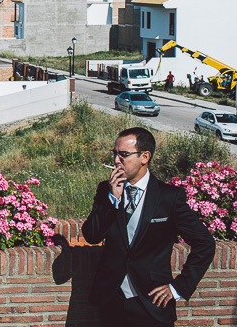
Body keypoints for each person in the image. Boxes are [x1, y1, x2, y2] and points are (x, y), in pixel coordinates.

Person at [82, 127, 215, 327]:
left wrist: (178, 287)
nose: (117, 160)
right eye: (115, 153)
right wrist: (112, 199)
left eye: (124, 155)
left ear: (144, 157)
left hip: (153, 304)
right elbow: (91, 236)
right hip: (112, 300)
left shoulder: (169, 197)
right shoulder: (105, 190)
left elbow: (205, 243)